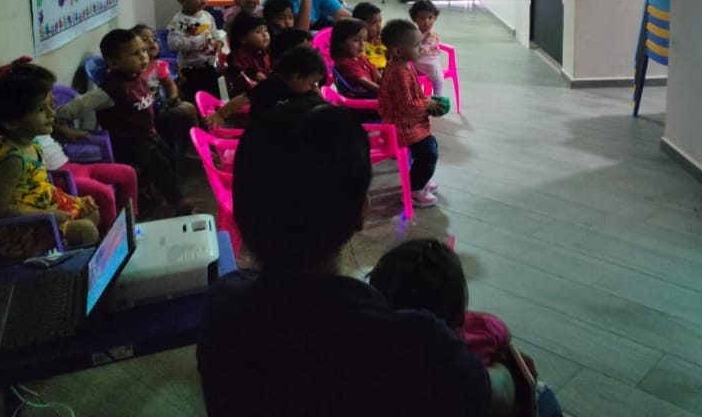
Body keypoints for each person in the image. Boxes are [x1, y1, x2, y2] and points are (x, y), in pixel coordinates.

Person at [196, 102, 515, 417]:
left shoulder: (221, 305)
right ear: (362, 209)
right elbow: (498, 395)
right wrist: (503, 363)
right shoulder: (412, 340)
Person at [368, 238, 564, 417]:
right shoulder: (479, 332)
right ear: (458, 314)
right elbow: (502, 333)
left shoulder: (370, 346)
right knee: (544, 397)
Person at [56, 29, 193, 218]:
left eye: (143, 50)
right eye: (135, 54)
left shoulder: (137, 78)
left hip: (147, 136)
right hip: (127, 143)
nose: (143, 56)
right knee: (159, 164)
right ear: (114, 63)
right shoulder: (110, 90)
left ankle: (151, 194)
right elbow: (77, 106)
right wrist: (60, 120)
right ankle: (178, 203)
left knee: (168, 156)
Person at [0, 58, 101, 256]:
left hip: (41, 213)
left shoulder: (32, 144)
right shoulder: (12, 160)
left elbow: (39, 186)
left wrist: (74, 200)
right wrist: (49, 214)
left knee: (91, 212)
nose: (52, 114)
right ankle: (69, 266)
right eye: (41, 110)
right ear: (11, 122)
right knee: (86, 231)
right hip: (19, 230)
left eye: (50, 106)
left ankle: (72, 258)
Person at [378, 18, 444, 208]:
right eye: (416, 45)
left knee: (430, 146)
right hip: (401, 126)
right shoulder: (399, 73)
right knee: (429, 153)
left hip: (408, 122)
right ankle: (415, 189)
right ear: (398, 51)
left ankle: (419, 179)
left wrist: (426, 100)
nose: (421, 49)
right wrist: (428, 104)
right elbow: (407, 105)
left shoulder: (404, 65)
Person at [41, 123, 138, 234]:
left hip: (73, 167)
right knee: (105, 193)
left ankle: (129, 226)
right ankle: (109, 236)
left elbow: (52, 125)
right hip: (60, 177)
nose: (51, 115)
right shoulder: (28, 144)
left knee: (128, 173)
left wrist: (64, 130)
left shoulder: (41, 129)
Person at [132, 22, 198, 159]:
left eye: (154, 38)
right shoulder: (131, 69)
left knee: (188, 108)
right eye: (145, 40)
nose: (152, 42)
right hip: (140, 110)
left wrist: (173, 97)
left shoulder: (159, 65)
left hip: (161, 105)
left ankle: (191, 145)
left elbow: (170, 85)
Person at [167, 0, 222, 100]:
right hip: (191, 71)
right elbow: (173, 44)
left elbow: (215, 34)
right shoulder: (179, 21)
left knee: (212, 98)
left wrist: (218, 43)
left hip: (209, 68)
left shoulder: (207, 16)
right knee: (194, 99)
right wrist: (197, 41)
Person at [224, 13, 271, 98]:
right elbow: (237, 72)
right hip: (245, 97)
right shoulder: (239, 55)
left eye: (266, 30)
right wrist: (254, 74)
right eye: (258, 31)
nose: (265, 34)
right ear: (243, 39)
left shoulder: (264, 53)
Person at [330, 17, 379, 98]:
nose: (362, 44)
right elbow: (368, 85)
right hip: (364, 100)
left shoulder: (360, 57)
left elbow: (377, 74)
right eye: (355, 40)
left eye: (364, 40)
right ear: (341, 43)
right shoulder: (345, 64)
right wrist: (389, 92)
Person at [410, 0, 446, 96]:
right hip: (416, 61)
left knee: (438, 76)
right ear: (414, 19)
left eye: (430, 18)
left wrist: (413, 50)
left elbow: (425, 48)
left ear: (435, 18)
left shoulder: (432, 35)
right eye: (422, 18)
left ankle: (437, 96)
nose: (426, 21)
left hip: (430, 61)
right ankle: (415, 95)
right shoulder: (413, 32)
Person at [352, 1, 386, 70]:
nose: (379, 26)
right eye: (374, 23)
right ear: (360, 25)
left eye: (380, 21)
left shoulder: (382, 41)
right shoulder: (359, 46)